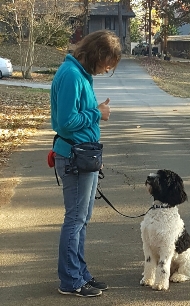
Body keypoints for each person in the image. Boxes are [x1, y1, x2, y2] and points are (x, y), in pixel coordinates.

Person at [50, 30, 122, 298]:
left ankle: (79, 272)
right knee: (75, 219)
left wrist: (95, 112)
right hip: (72, 156)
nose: (107, 69)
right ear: (98, 54)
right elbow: (67, 122)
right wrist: (98, 112)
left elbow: (79, 116)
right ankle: (70, 280)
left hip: (84, 155)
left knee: (82, 219)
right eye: (108, 63)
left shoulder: (80, 74)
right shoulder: (71, 75)